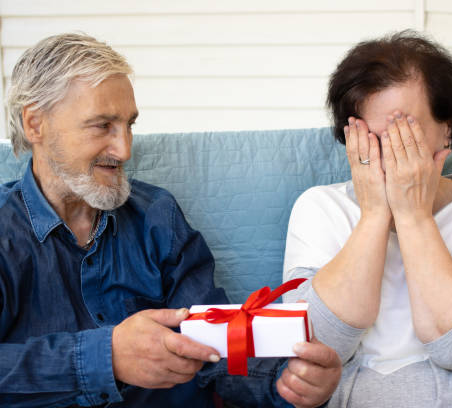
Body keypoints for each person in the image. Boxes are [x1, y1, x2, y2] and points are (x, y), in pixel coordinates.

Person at [0, 33, 341, 408]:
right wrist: (105, 356)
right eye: (102, 126)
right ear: (35, 124)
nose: (125, 149)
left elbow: (216, 347)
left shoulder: (155, 214)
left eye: (129, 124)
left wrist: (286, 383)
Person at [283, 30, 452, 407]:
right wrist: (375, 215)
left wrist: (414, 216)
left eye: (404, 133)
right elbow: (316, 346)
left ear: (446, 129)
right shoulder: (318, 208)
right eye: (376, 138)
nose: (391, 152)